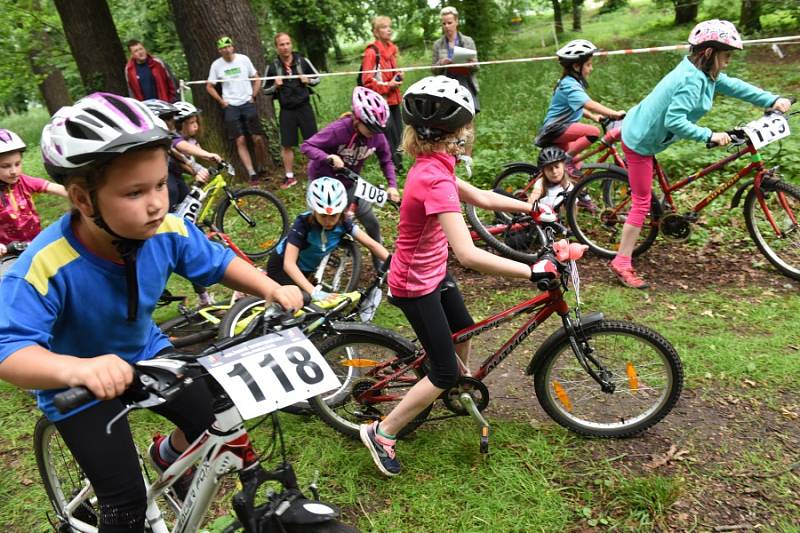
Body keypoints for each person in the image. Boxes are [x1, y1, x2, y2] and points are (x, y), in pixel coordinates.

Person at [0, 93, 302, 532]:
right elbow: (9, 351)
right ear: (84, 199)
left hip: (147, 352)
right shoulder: (44, 265)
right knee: (125, 504)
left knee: (218, 420)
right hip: (80, 385)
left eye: (161, 185)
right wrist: (78, 371)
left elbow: (218, 262)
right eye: (135, 192)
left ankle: (166, 454)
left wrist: (271, 287)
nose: (157, 203)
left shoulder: (167, 230)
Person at [359, 76, 541, 477]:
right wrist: (532, 270)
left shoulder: (434, 164)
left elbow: (482, 197)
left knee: (464, 330)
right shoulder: (435, 180)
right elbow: (469, 254)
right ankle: (383, 432)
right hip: (414, 285)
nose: (468, 134)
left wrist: (533, 209)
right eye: (466, 129)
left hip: (433, 272)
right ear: (455, 133)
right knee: (442, 368)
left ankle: (454, 385)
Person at [611, 20, 792, 289]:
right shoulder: (690, 81)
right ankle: (621, 262)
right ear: (708, 53)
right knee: (641, 201)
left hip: (648, 128)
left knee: (653, 195)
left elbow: (735, 86)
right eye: (726, 55)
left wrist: (770, 99)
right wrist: (708, 135)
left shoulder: (703, 74)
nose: (728, 62)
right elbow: (674, 121)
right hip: (641, 142)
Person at [300, 86, 400, 270]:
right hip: (324, 183)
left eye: (377, 129)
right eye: (370, 128)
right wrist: (328, 157)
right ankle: (305, 267)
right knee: (316, 228)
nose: (374, 132)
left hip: (350, 183)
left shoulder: (377, 136)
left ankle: (381, 268)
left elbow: (386, 160)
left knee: (372, 223)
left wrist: (392, 185)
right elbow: (306, 146)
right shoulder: (339, 130)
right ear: (357, 119)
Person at [268, 177, 389, 300]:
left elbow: (372, 245)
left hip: (306, 269)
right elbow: (289, 264)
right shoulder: (303, 224)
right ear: (314, 210)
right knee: (300, 302)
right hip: (282, 267)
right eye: (323, 215)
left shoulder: (344, 222)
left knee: (309, 305)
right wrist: (314, 292)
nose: (328, 221)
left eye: (333, 216)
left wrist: (395, 264)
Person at [536, 39, 626, 176]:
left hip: (561, 128)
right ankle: (567, 160)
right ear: (577, 66)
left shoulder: (572, 82)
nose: (591, 68)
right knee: (593, 132)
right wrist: (614, 114)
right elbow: (588, 103)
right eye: (589, 65)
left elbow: (576, 106)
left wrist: (594, 116)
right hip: (555, 128)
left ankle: (578, 195)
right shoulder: (569, 85)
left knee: (575, 172)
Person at [264, 33, 321, 189]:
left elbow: (318, 78)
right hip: (287, 110)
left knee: (313, 142)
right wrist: (275, 85)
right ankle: (289, 177)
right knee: (286, 144)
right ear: (277, 47)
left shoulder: (302, 61)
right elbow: (265, 90)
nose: (285, 47)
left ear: (292, 45)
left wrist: (307, 80)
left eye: (288, 43)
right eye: (281, 44)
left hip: (304, 107)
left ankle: (316, 172)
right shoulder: (273, 66)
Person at [206, 36, 267, 183]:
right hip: (231, 106)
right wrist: (221, 101)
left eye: (228, 47)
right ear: (219, 50)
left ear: (232, 47)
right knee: (240, 140)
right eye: (222, 48)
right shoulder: (216, 65)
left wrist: (253, 95)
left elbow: (256, 77)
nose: (226, 50)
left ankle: (261, 166)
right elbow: (209, 86)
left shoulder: (243, 59)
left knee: (257, 138)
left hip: (247, 102)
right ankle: (252, 173)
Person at [0, 128, 67, 256]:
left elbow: (56, 188)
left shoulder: (24, 181)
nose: (14, 171)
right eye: (5, 166)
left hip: (36, 245)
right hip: (7, 254)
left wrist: (83, 199)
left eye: (17, 164)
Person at [360, 16, 404, 171]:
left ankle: (400, 165)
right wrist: (388, 85)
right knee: (389, 137)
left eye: (389, 26)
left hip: (395, 100)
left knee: (399, 134)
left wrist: (398, 76)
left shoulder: (391, 49)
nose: (389, 29)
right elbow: (367, 80)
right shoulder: (371, 52)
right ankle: (394, 169)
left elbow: (389, 73)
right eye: (384, 27)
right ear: (376, 32)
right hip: (381, 102)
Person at [432, 7, 480, 115]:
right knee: (449, 118)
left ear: (456, 22)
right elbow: (433, 70)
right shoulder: (438, 44)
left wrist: (470, 64)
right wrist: (441, 64)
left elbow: (477, 67)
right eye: (444, 23)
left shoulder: (468, 41)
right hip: (446, 86)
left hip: (466, 84)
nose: (447, 26)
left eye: (449, 23)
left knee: (468, 117)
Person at [529, 146, 573, 210]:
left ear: (564, 166)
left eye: (557, 167)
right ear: (543, 171)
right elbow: (533, 198)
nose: (554, 172)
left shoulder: (569, 185)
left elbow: (573, 211)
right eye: (549, 169)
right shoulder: (541, 182)